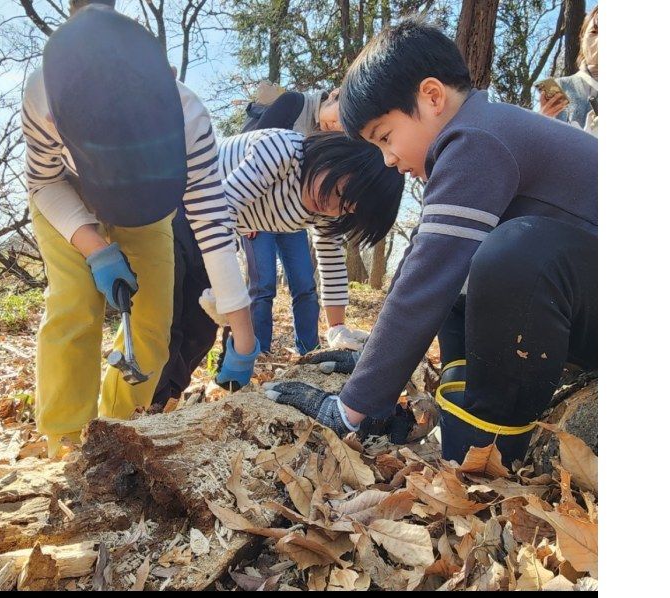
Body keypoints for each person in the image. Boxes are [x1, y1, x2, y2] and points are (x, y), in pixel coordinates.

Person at [267, 18, 597, 467]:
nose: (388, 159)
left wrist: (344, 410)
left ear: (432, 96)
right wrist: (372, 366)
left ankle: (493, 442)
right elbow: (421, 263)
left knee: (511, 257)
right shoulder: (480, 132)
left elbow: (428, 279)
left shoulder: (476, 137)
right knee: (463, 271)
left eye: (385, 137)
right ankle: (464, 420)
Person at [22, 0, 257, 457]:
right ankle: (66, 442)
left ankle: (118, 433)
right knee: (74, 307)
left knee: (153, 322)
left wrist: (242, 332)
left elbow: (211, 219)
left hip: (150, 202)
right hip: (67, 194)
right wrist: (94, 247)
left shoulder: (188, 118)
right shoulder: (44, 97)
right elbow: (44, 181)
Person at [215, 128, 405, 358]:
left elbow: (332, 260)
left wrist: (337, 328)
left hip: (215, 222)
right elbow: (219, 212)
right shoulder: (282, 151)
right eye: (337, 191)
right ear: (334, 156)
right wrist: (225, 292)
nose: (331, 207)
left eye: (345, 209)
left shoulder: (326, 212)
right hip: (185, 193)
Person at [239, 88, 367, 354]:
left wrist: (337, 325)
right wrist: (243, 215)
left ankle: (309, 349)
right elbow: (251, 155)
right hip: (252, 210)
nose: (337, 128)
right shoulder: (293, 106)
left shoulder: (333, 186)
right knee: (263, 285)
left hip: (297, 216)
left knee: (304, 283)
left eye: (345, 131)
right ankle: (256, 350)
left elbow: (330, 248)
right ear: (335, 94)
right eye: (340, 117)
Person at [539, 6, 598, 136]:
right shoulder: (553, 88)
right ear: (582, 38)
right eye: (595, 31)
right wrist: (542, 123)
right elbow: (540, 143)